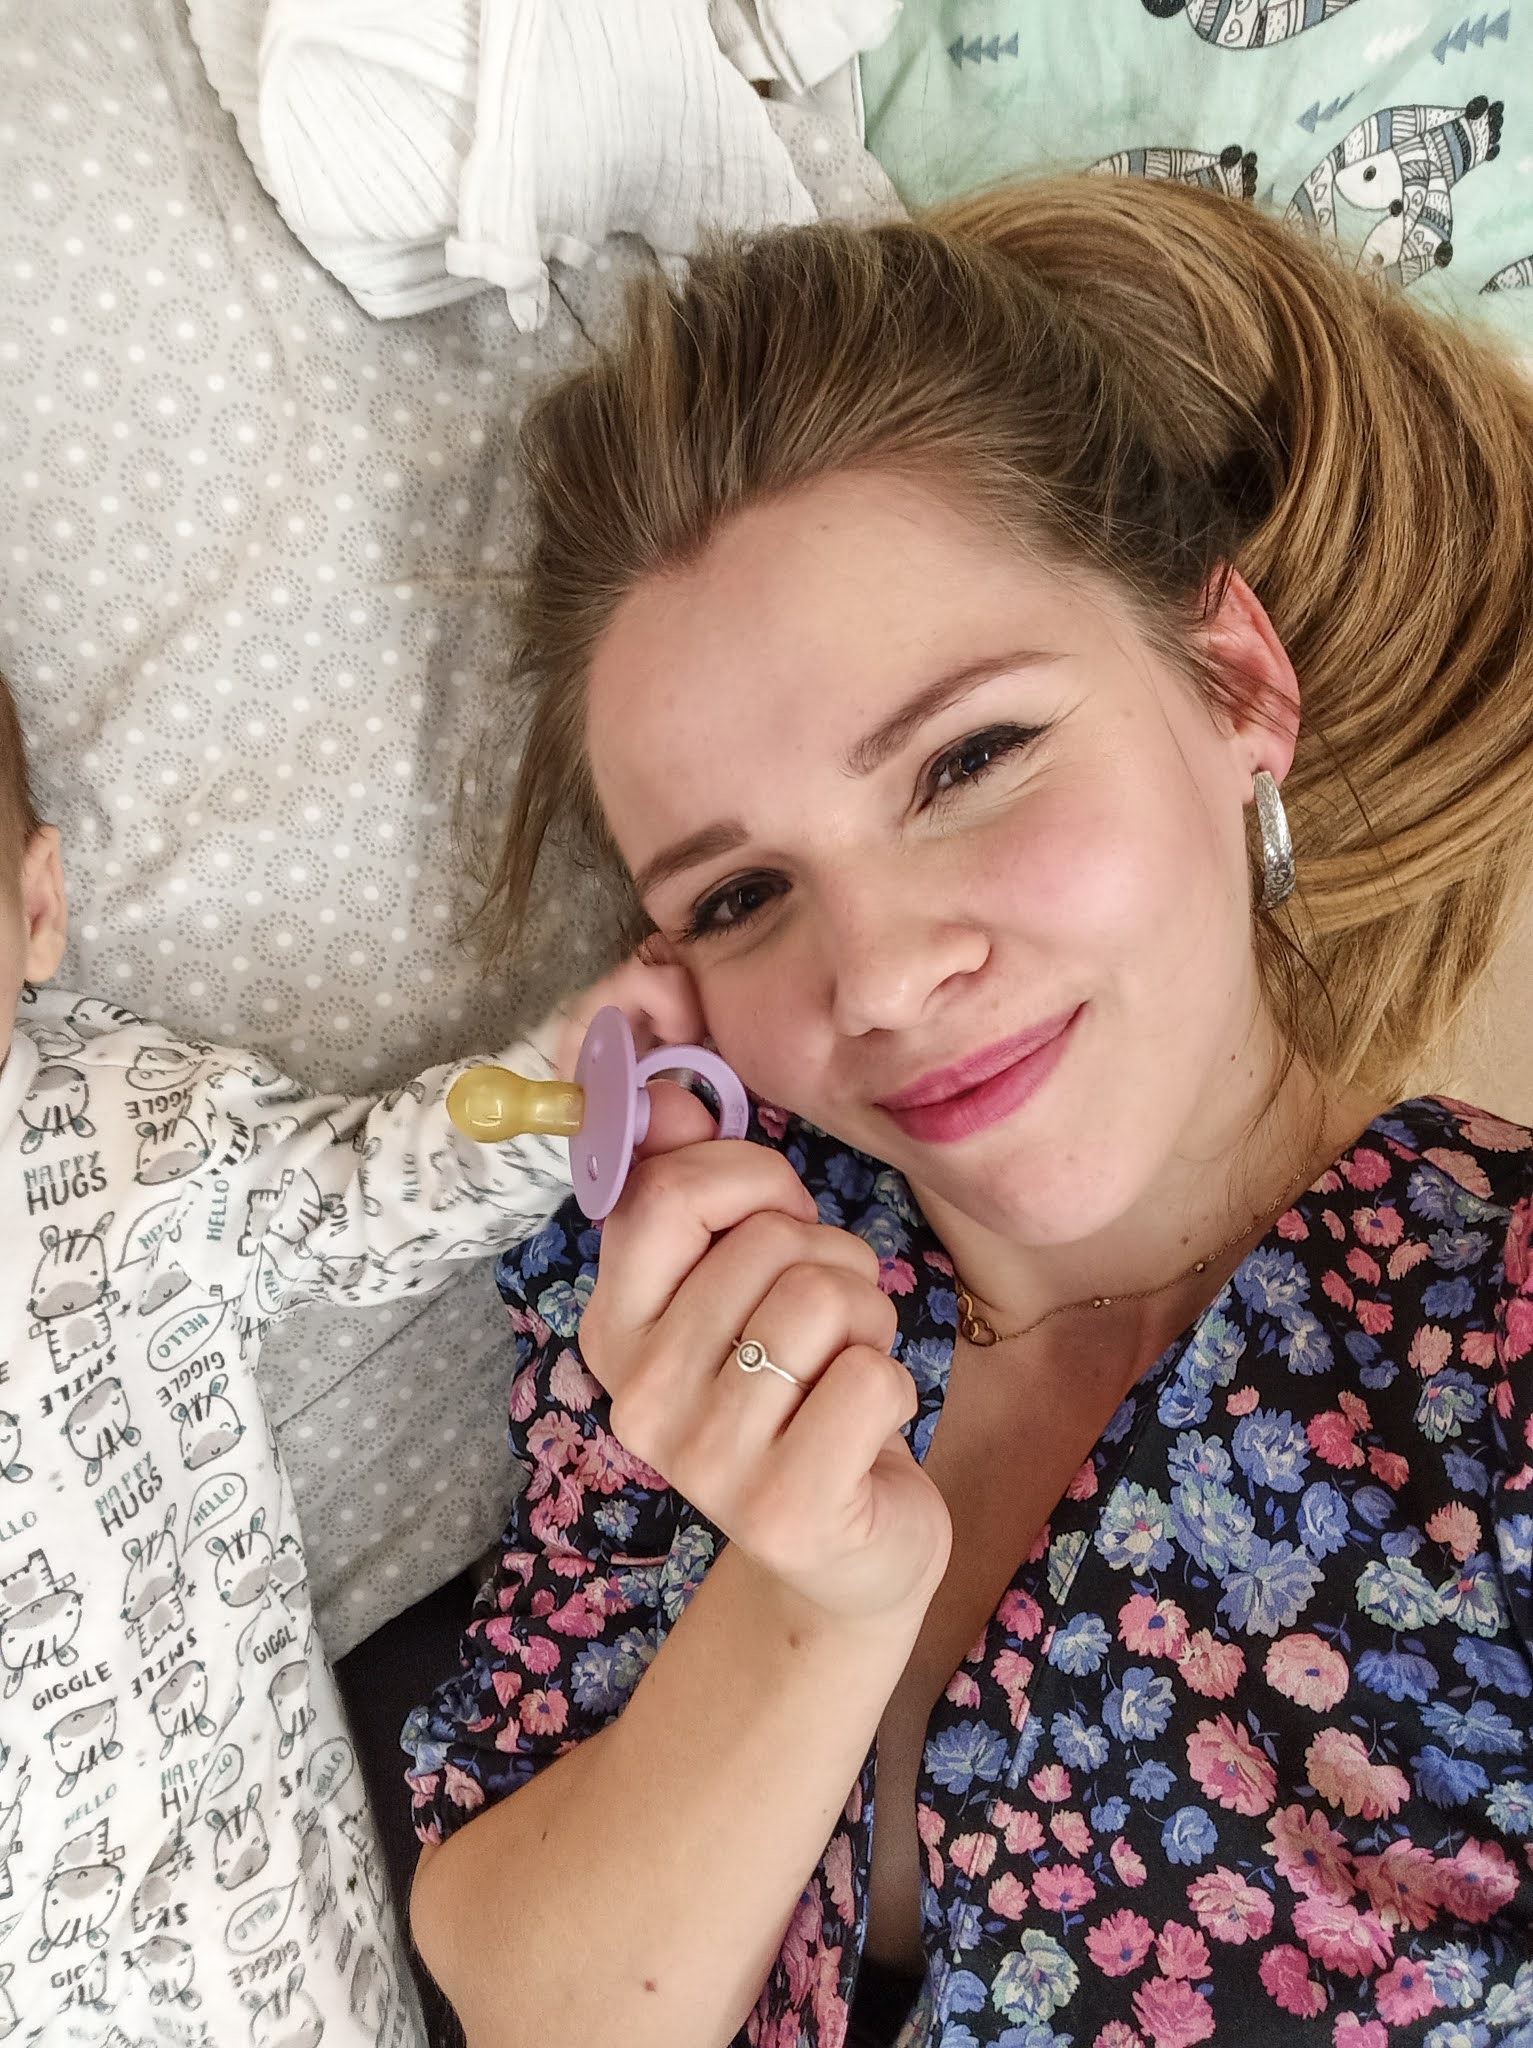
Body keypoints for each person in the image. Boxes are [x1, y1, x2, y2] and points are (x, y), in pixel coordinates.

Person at [402, 174, 1533, 2048]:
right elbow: (543, 2002)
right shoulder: (694, 1286)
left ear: (1232, 683)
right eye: (739, 894)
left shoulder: (1493, 1334)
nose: (871, 977)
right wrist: (822, 1591)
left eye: (967, 758)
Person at [0, 664, 702, 2047]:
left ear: (35, 912)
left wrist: (565, 1082)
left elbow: (358, 1199)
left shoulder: (133, 1132)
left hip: (241, 1944)